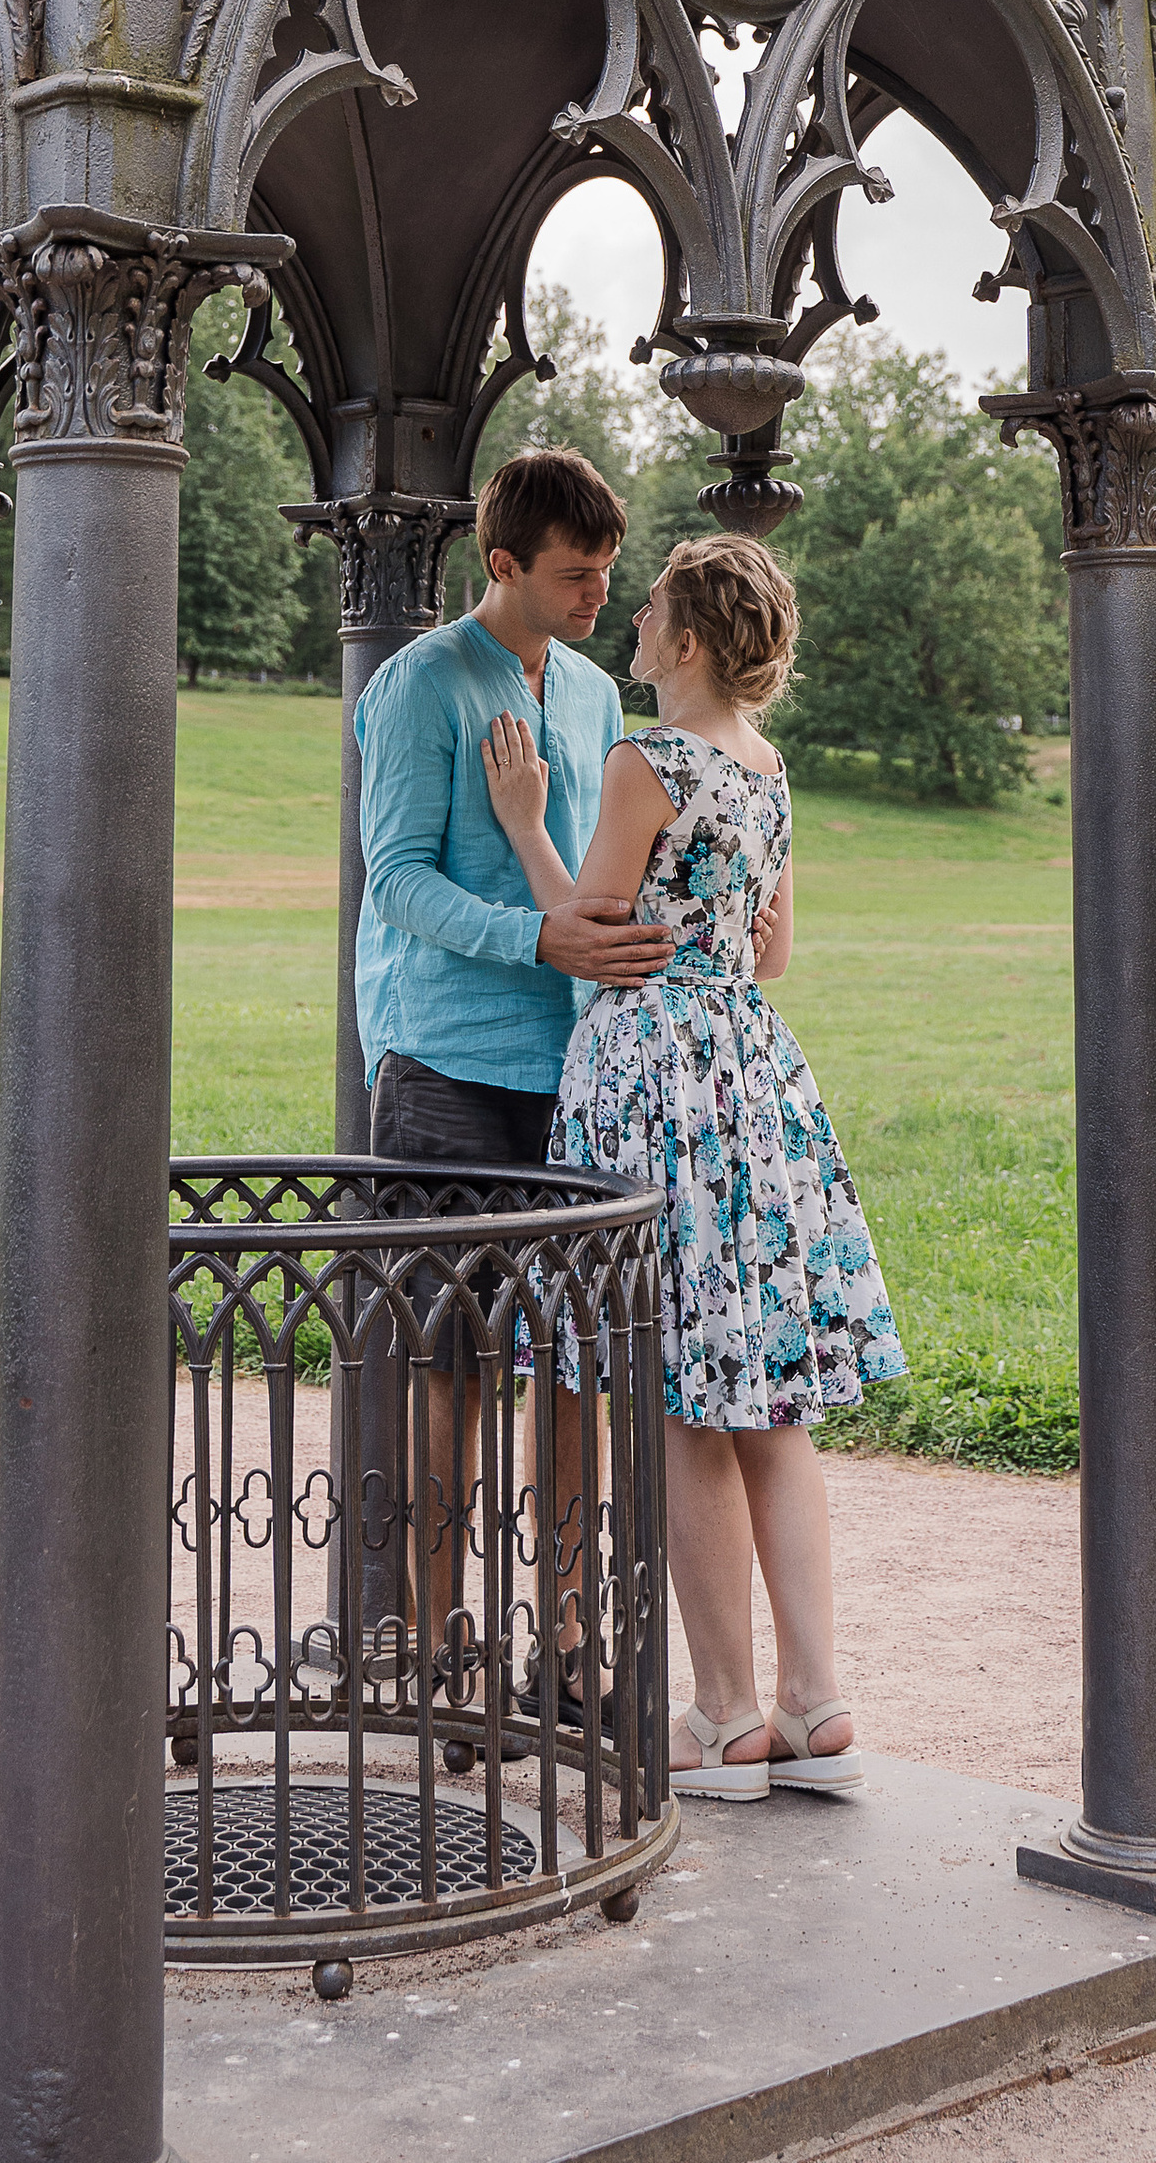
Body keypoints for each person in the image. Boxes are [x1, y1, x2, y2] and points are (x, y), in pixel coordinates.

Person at [480, 532, 905, 1799]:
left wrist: (521, 826)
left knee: (677, 1405)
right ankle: (813, 1701)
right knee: (767, 1402)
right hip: (753, 1070)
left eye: (652, 603)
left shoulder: (644, 758)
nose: (633, 617)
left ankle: (722, 1720)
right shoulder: (766, 772)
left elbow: (587, 928)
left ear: (690, 639)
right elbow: (769, 958)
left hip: (651, 1072)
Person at [353, 446, 670, 1675]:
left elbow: (606, 868)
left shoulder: (593, 694)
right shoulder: (421, 684)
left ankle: (571, 1639)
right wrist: (536, 935)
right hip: (445, 1069)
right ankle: (436, 1643)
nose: (599, 592)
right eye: (575, 574)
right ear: (502, 566)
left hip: (584, 1073)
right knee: (454, 1363)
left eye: (605, 571)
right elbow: (396, 882)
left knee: (576, 1366)